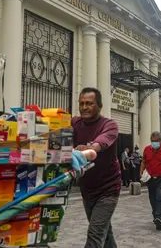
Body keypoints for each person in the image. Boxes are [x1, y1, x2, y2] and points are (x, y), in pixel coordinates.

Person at [72, 87, 120, 248]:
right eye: (82, 103)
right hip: (87, 189)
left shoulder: (109, 125)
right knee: (105, 235)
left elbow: (103, 141)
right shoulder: (75, 123)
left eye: (89, 103)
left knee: (95, 235)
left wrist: (91, 148)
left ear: (99, 106)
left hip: (108, 190)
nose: (84, 107)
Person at [140, 131, 161, 231]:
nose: (154, 143)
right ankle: (156, 215)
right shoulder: (147, 149)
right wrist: (141, 172)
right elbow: (143, 161)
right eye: (152, 141)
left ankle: (159, 217)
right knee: (152, 199)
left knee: (160, 196)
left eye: (156, 141)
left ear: (160, 141)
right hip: (150, 178)